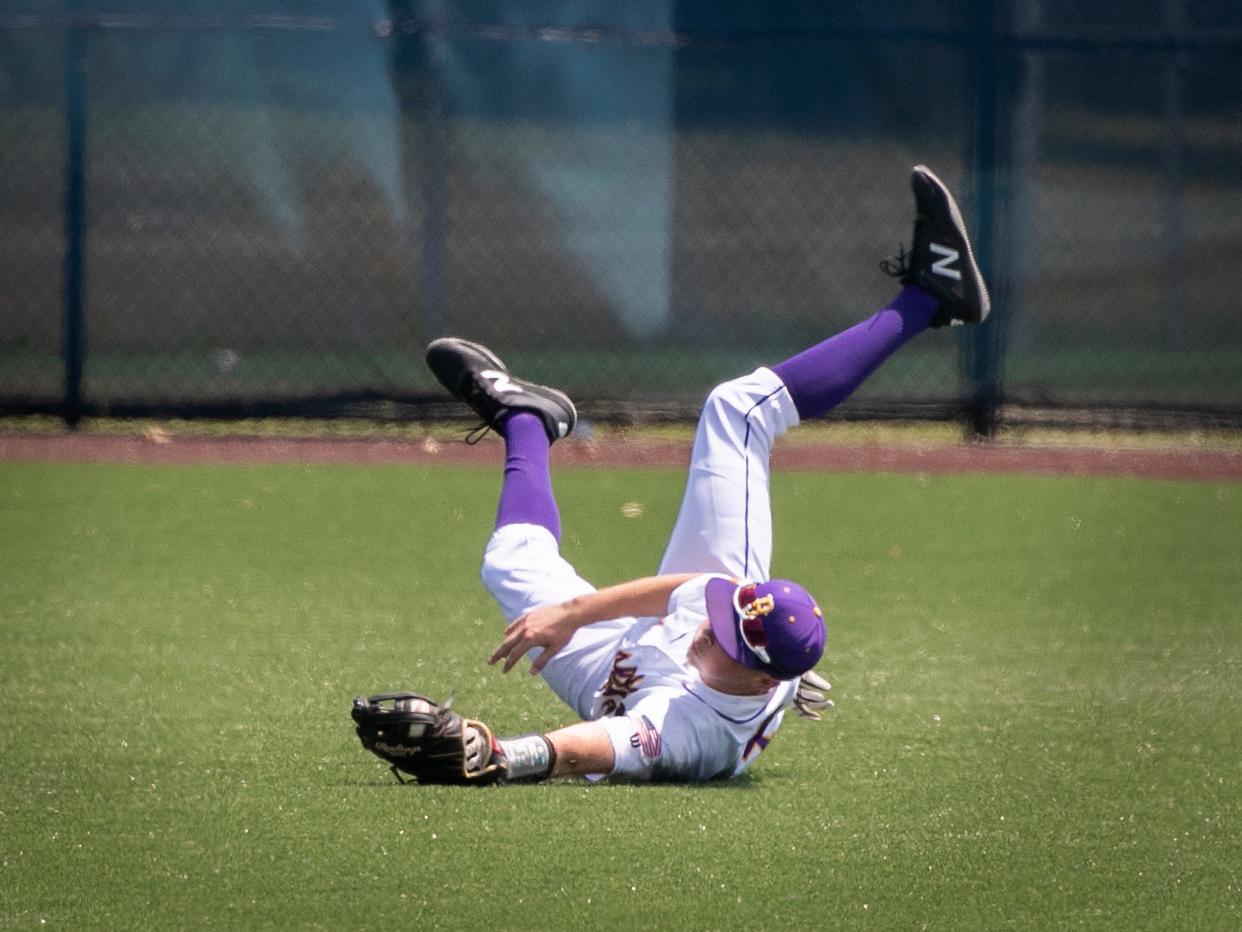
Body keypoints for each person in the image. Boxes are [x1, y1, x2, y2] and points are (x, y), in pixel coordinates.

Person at [356, 165, 989, 785]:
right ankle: (932, 293)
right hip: (731, 669)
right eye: (724, 619)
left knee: (506, 560)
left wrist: (491, 753)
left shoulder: (690, 732)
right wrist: (574, 611)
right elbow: (692, 588)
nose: (706, 628)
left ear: (760, 678)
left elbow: (582, 750)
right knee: (736, 409)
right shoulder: (729, 616)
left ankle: (524, 419)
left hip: (612, 683)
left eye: (723, 640)